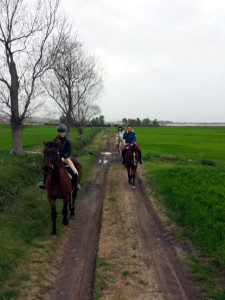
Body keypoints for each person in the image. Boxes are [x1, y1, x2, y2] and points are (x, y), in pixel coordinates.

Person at [38, 124, 80, 190]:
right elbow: (52, 148)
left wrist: (64, 157)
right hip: (56, 158)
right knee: (47, 168)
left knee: (74, 171)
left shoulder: (67, 141)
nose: (62, 133)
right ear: (59, 132)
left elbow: (68, 151)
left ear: (65, 132)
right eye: (61, 132)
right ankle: (44, 184)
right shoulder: (55, 139)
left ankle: (75, 185)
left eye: (63, 132)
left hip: (65, 158)